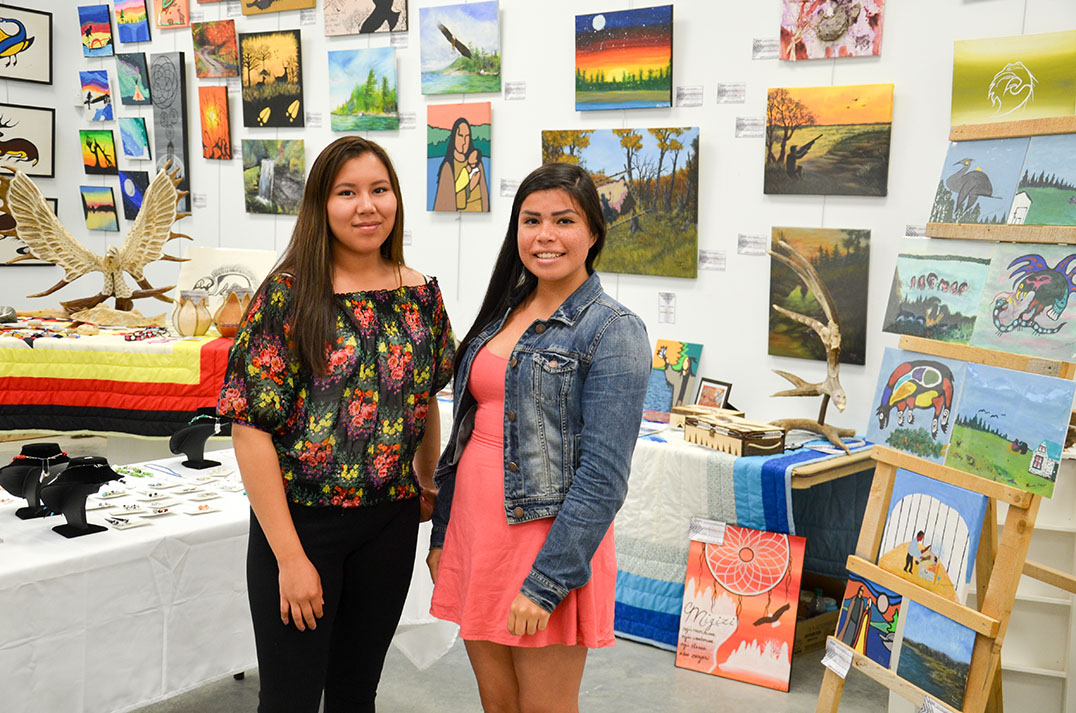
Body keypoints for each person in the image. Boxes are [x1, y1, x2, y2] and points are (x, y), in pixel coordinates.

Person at [217, 136, 454, 713]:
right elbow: (250, 429)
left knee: (356, 694)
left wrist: (426, 481)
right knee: (290, 699)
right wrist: (291, 559)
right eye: (347, 193)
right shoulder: (289, 295)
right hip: (303, 524)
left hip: (389, 523)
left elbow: (422, 398)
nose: (366, 206)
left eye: (380, 190)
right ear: (321, 205)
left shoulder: (418, 291)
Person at [427, 162, 651, 712]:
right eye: (531, 221)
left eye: (563, 220)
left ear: (593, 233)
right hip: (477, 533)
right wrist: (441, 534)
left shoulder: (613, 329)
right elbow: (465, 434)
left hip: (545, 544)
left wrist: (546, 581)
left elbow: (603, 476)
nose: (545, 235)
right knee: (498, 704)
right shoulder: (503, 311)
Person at [433, 116, 489, 212]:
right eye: (460, 136)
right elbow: (451, 202)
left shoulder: (477, 162)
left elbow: (485, 197)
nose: (464, 141)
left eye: (467, 136)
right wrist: (470, 187)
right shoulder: (448, 167)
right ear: (454, 137)